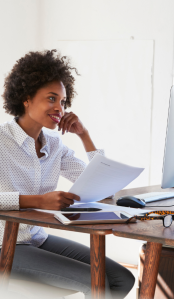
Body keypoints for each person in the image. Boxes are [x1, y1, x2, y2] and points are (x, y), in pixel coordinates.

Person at [0, 50, 135, 298]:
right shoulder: (1, 141)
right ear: (26, 98)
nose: (59, 108)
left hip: (37, 238)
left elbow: (101, 187)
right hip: (5, 244)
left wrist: (84, 135)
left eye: (62, 101)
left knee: (121, 279)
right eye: (51, 99)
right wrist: (38, 201)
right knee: (97, 282)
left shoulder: (53, 144)